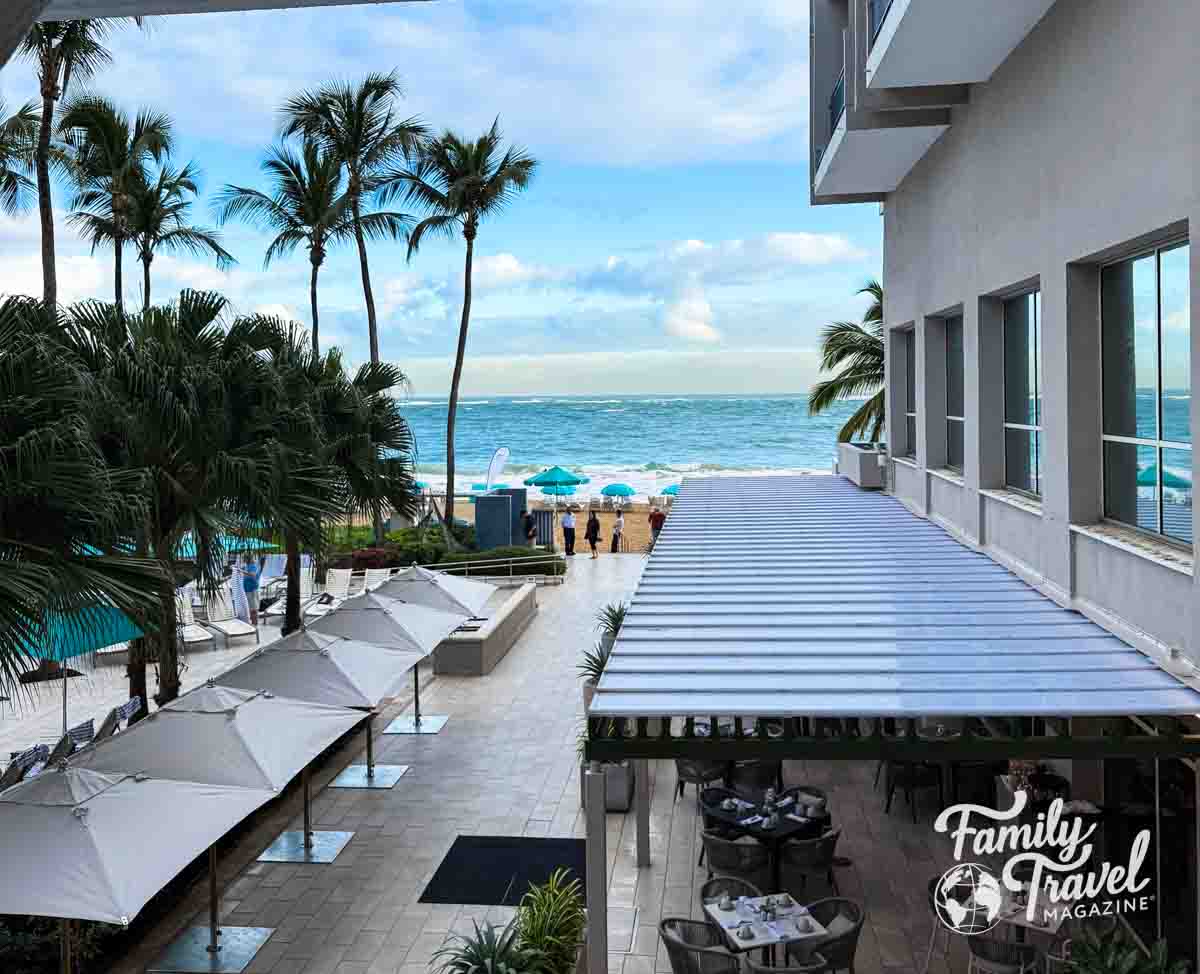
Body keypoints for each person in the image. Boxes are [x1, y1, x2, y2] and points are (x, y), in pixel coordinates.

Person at [241, 553, 261, 626]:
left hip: (252, 589)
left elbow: (253, 574)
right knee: (250, 607)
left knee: (253, 608)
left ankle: (255, 625)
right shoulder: (247, 566)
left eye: (244, 558)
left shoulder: (253, 566)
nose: (243, 559)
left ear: (247, 559)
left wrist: (241, 571)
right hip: (248, 589)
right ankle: (253, 623)